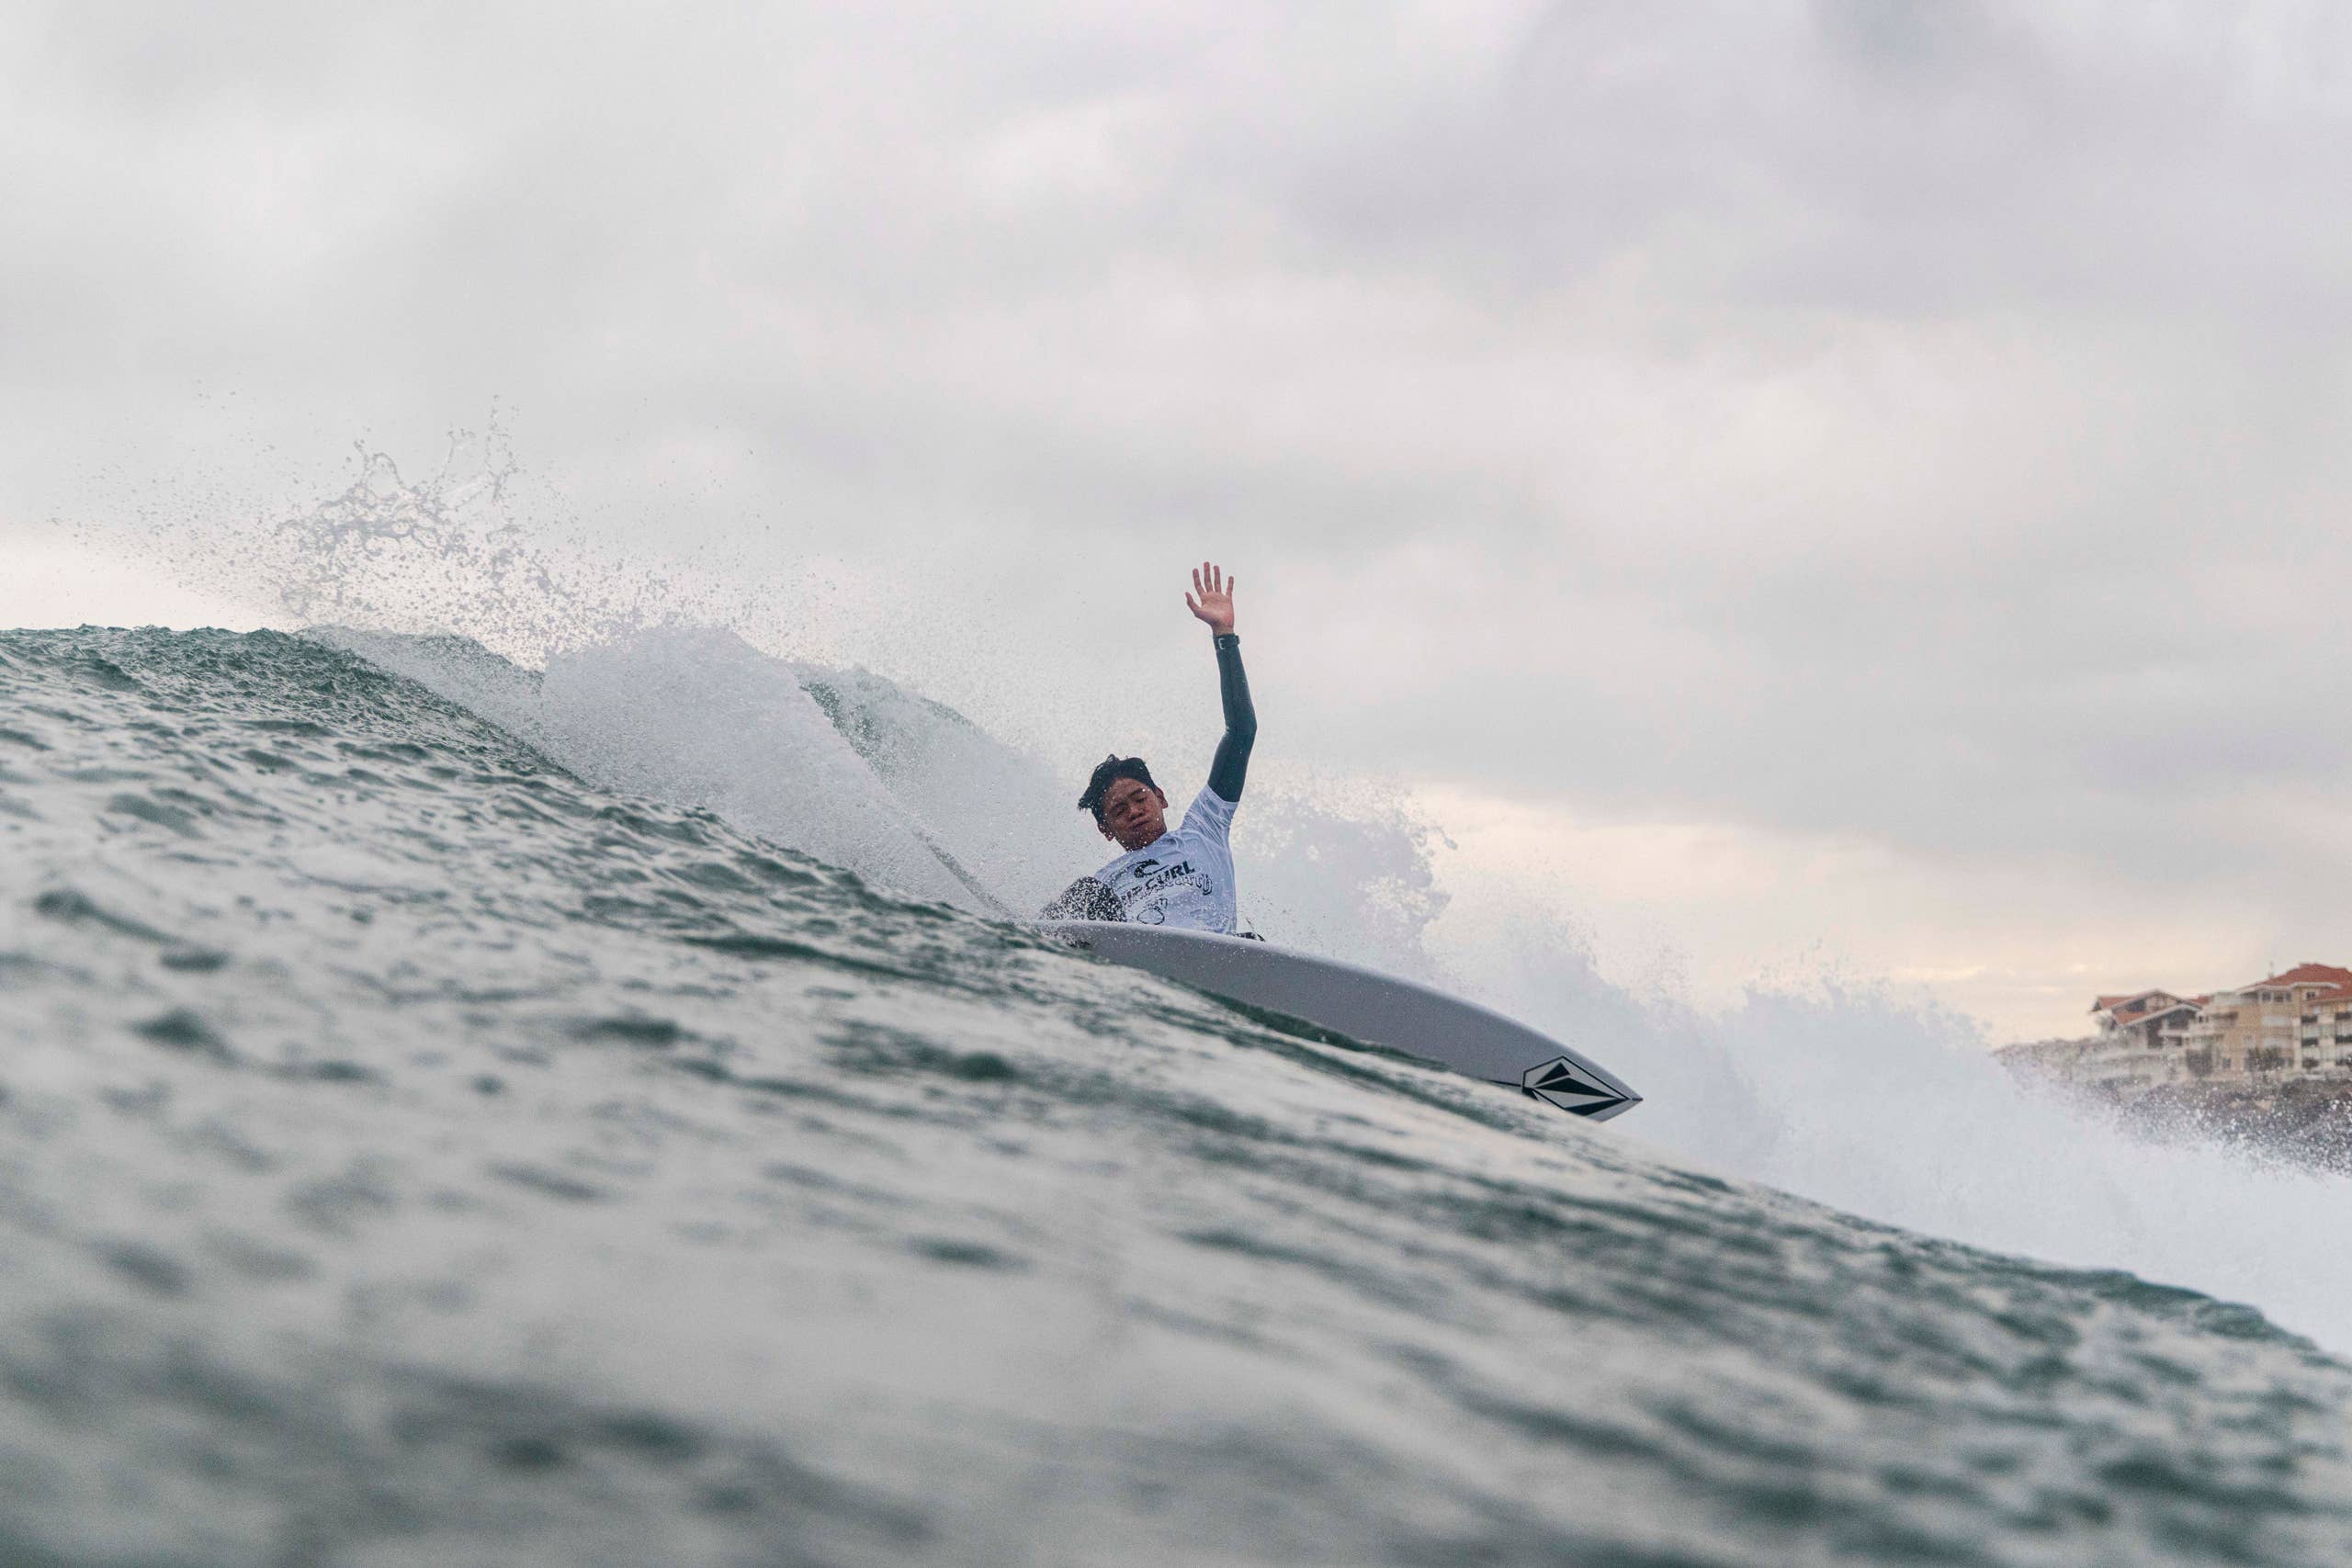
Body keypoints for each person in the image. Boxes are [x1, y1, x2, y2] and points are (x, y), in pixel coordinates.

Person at [1044, 561, 1256, 931]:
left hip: (1220, 955)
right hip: (1144, 964)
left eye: (1140, 798)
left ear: (1161, 796)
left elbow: (1241, 732)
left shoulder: (1204, 830)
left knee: (1254, 938)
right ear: (1105, 829)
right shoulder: (1105, 884)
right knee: (1084, 894)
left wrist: (1224, 634)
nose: (1135, 811)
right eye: (1119, 810)